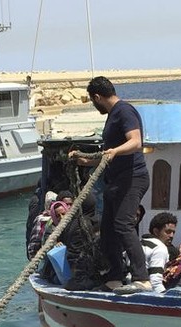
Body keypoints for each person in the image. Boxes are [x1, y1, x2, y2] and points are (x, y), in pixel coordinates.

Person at [69, 76, 149, 293]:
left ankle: (142, 278)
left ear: (97, 97)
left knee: (123, 225)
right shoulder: (113, 115)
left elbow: (135, 141)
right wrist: (87, 161)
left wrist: (115, 151)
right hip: (116, 180)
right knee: (108, 231)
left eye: (93, 101)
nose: (94, 106)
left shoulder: (124, 111)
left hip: (132, 179)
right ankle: (115, 277)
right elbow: (108, 155)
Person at [140, 212, 178, 293]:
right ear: (156, 231)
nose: (171, 236)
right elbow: (155, 283)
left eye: (173, 232)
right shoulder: (160, 248)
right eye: (168, 231)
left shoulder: (138, 243)